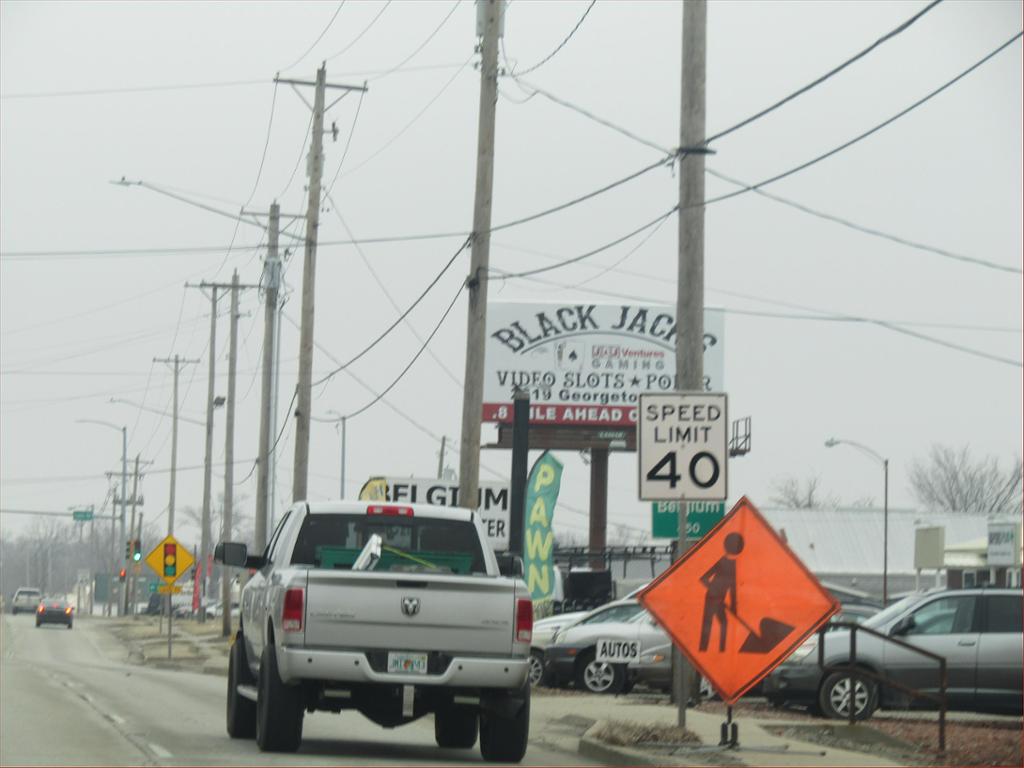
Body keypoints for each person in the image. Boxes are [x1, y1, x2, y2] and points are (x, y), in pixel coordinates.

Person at [699, 532, 744, 652]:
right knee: (707, 625)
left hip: (720, 601)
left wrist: (734, 606)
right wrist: (714, 590)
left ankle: (722, 650)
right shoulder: (721, 562)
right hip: (711, 598)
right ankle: (703, 649)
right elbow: (703, 578)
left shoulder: (734, 565)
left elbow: (733, 588)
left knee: (724, 623)